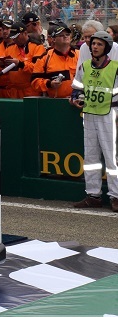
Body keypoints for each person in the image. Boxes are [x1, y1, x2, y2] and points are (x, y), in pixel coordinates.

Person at [69, 31, 118, 212]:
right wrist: (76, 98)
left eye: (99, 44)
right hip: (89, 114)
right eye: (93, 44)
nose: (95, 47)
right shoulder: (85, 66)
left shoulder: (115, 67)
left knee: (111, 158)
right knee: (91, 157)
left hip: (109, 114)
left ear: (107, 48)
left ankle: (116, 196)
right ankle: (93, 195)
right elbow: (77, 88)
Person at [0, 23, 45, 98]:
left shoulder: (37, 47)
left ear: (25, 33)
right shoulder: (10, 48)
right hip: (13, 91)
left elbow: (37, 69)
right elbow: (3, 70)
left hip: (31, 90)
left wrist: (20, 64)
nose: (14, 39)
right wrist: (1, 65)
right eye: (13, 37)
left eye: (16, 37)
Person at [31, 23, 79, 98]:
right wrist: (49, 84)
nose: (65, 37)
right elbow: (34, 81)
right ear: (53, 39)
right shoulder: (45, 57)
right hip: (55, 102)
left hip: (77, 101)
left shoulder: (79, 54)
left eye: (67, 34)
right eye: (61, 35)